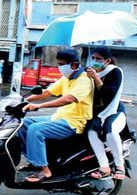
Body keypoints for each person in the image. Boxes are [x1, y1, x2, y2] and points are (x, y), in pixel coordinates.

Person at [17, 49, 94, 183]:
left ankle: (45, 171)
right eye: (58, 64)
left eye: (62, 64)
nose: (60, 68)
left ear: (74, 65)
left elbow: (68, 99)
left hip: (74, 123)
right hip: (59, 118)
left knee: (35, 130)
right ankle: (35, 162)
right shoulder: (66, 78)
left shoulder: (85, 80)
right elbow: (46, 93)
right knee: (22, 124)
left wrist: (39, 106)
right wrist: (25, 100)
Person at [85, 46, 127, 180]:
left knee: (109, 129)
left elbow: (109, 93)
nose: (95, 61)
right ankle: (104, 167)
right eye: (93, 58)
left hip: (113, 110)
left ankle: (120, 166)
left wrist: (96, 78)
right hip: (97, 111)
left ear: (107, 61)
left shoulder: (115, 72)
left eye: (99, 59)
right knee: (91, 130)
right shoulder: (89, 72)